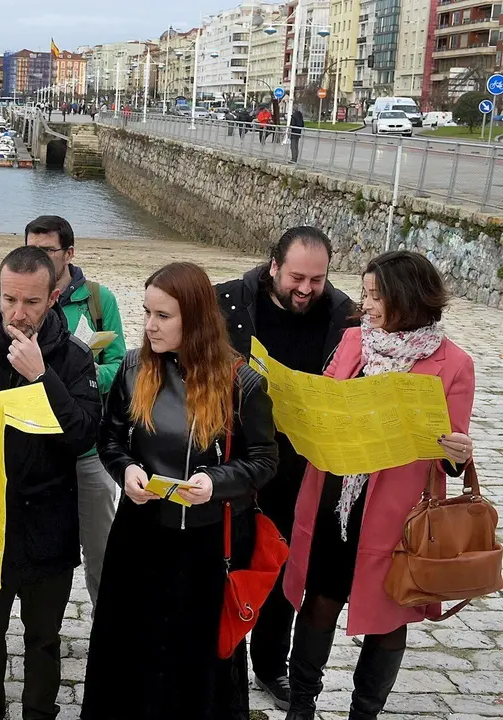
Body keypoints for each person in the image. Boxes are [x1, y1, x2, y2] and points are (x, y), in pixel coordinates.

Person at [81, 261, 279, 720]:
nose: (149, 325)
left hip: (206, 544)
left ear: (194, 317)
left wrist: (215, 482)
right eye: (147, 312)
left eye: (162, 316)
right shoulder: (134, 367)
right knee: (129, 643)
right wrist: (126, 470)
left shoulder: (242, 382)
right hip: (140, 532)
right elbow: (109, 438)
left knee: (195, 654)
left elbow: (264, 461)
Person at [283, 251, 475, 720]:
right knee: (320, 599)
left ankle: (364, 713)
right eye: (365, 294)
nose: (365, 305)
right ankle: (301, 705)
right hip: (336, 496)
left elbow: (451, 458)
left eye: (374, 296)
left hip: (397, 512)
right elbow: (327, 397)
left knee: (390, 617)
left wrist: (457, 454)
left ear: (406, 299)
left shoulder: (454, 364)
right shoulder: (354, 341)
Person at [0, 246, 101, 720]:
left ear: (53, 298)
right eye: (9, 299)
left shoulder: (73, 357)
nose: (18, 313)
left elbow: (83, 435)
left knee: (43, 641)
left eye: (31, 302)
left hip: (49, 521)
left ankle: (40, 713)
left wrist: (42, 377)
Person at [216, 226, 357, 710]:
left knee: (285, 571)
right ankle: (221, 662)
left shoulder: (345, 316)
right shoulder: (228, 302)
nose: (306, 289)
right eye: (297, 276)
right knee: (228, 564)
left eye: (317, 280)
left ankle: (271, 664)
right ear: (274, 266)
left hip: (304, 468)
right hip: (236, 459)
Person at [24, 215, 126, 608]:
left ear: (69, 253)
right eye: (32, 248)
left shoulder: (101, 301)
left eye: (47, 250)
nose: (39, 257)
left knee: (100, 546)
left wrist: (80, 376)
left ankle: (107, 622)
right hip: (33, 448)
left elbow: (120, 368)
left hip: (86, 447)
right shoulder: (19, 299)